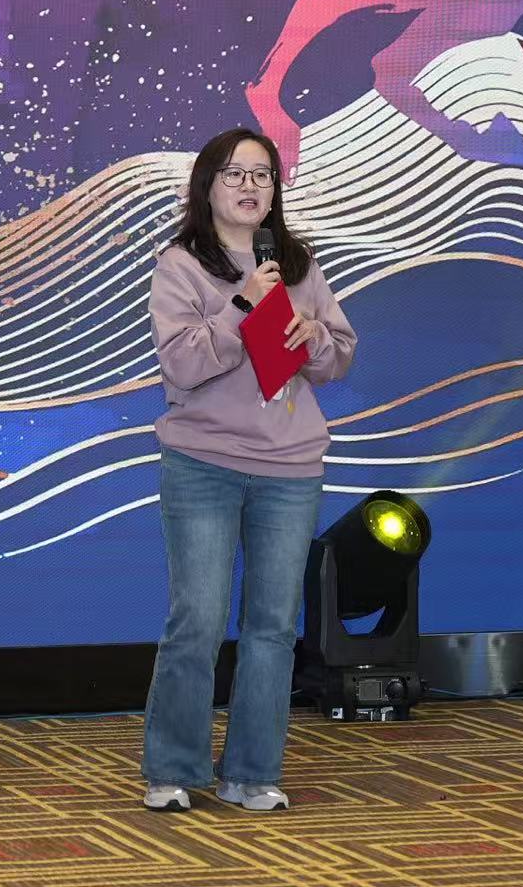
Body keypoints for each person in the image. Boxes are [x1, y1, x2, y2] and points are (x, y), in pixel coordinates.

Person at [139, 126, 357, 814]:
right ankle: (174, 769)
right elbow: (182, 363)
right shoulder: (181, 265)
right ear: (207, 186)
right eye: (235, 173)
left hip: (290, 466)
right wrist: (243, 306)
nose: (249, 186)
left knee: (273, 627)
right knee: (198, 619)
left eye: (262, 175)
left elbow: (338, 354)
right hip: (203, 462)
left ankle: (252, 772)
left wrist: (311, 334)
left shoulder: (297, 263)